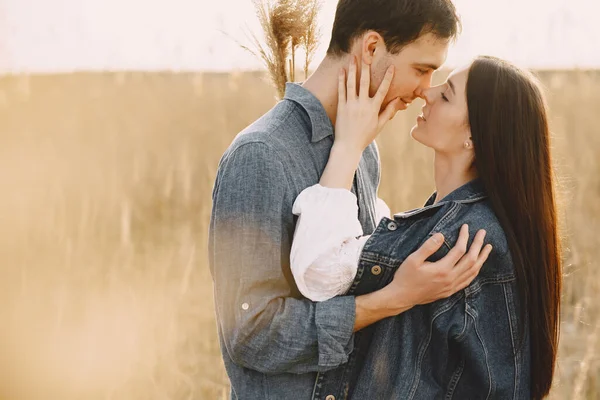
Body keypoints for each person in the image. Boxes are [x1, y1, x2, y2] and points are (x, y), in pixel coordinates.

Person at [208, 0, 492, 398]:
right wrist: (392, 299)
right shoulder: (261, 154)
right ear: (372, 48)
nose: (425, 89)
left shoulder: (361, 146)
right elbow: (251, 333)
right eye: (421, 69)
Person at [291, 56, 562, 399]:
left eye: (446, 95)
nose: (426, 93)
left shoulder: (454, 241)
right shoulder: (475, 222)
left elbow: (319, 272)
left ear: (473, 136)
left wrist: (348, 146)